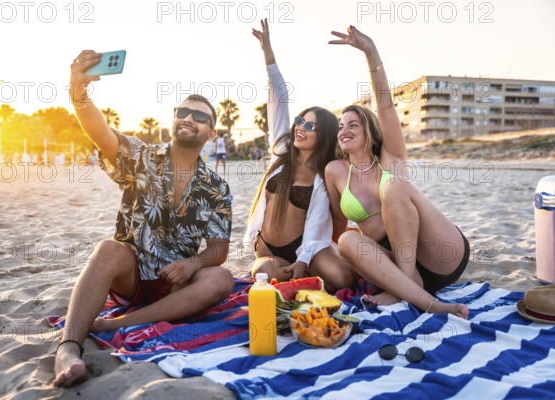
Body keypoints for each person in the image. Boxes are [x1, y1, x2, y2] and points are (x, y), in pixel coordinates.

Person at [53, 50, 234, 387]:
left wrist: (194, 264)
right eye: (183, 111)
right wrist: (78, 91)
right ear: (173, 118)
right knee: (109, 249)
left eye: (199, 115)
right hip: (132, 276)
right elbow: (100, 132)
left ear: (211, 133)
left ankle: (114, 325)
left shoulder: (217, 186)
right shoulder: (140, 155)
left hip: (177, 285)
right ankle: (68, 347)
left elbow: (219, 248)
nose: (188, 118)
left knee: (221, 278)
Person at [325, 25, 469, 318]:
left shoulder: (389, 158)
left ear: (369, 131)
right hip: (389, 260)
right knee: (346, 240)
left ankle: (410, 294)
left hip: (438, 252)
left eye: (353, 124)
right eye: (341, 126)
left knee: (394, 186)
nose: (344, 129)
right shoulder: (336, 172)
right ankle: (411, 289)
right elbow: (337, 226)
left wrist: (370, 53)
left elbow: (386, 105)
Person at [244, 19, 356, 293]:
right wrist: (267, 50)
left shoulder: (324, 176)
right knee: (264, 275)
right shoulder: (280, 153)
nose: (300, 128)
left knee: (343, 278)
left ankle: (306, 272)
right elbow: (278, 97)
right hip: (269, 249)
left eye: (310, 125)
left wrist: (304, 259)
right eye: (299, 121)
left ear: (324, 136)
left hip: (306, 246)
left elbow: (318, 223)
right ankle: (296, 278)